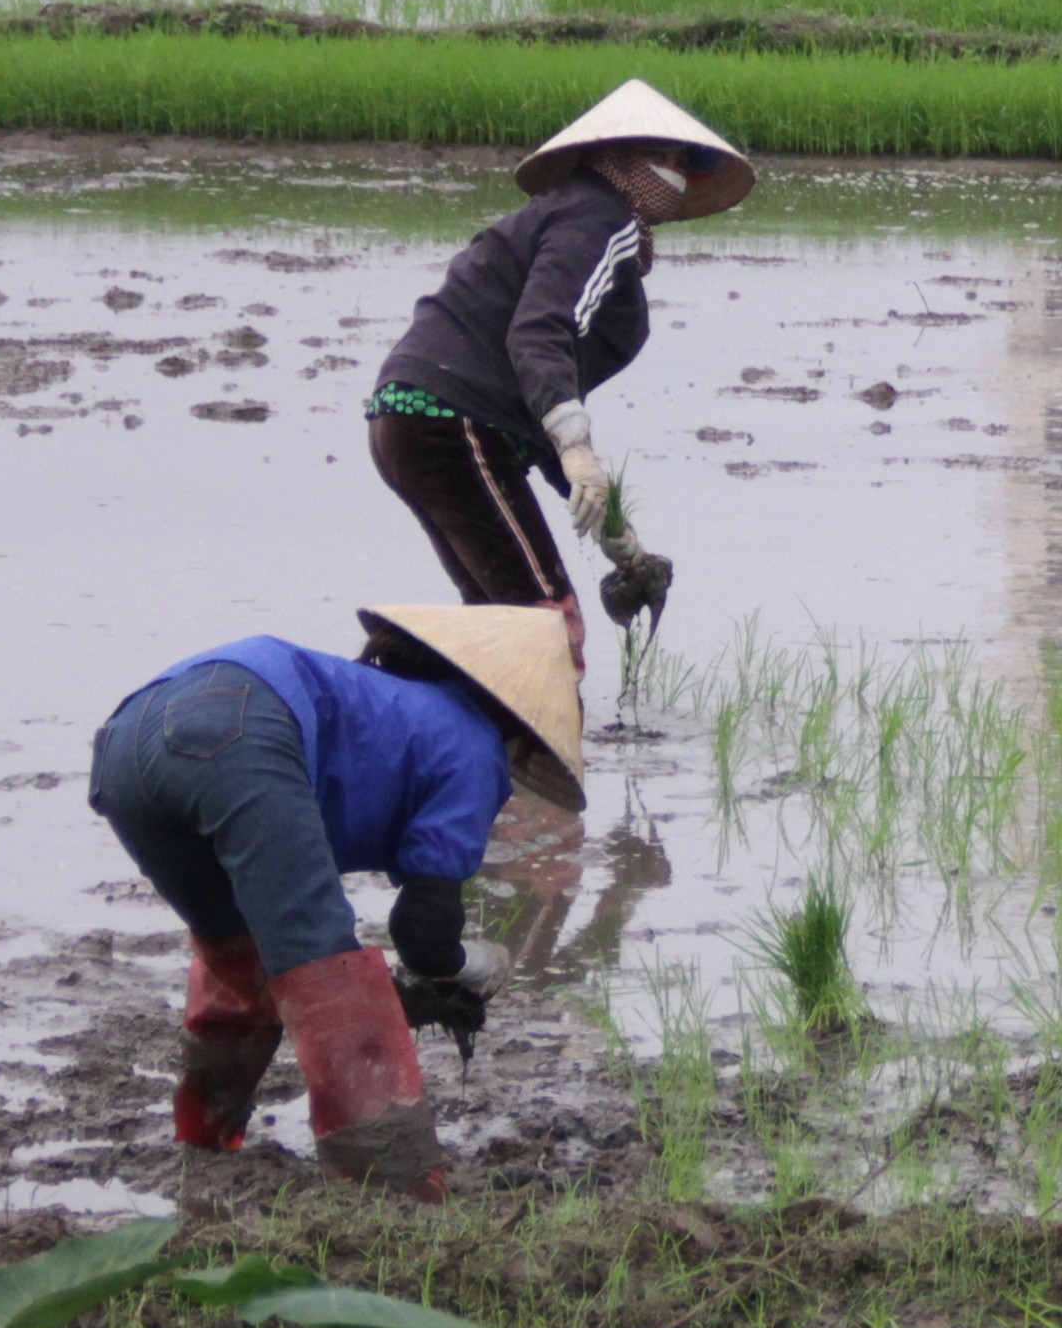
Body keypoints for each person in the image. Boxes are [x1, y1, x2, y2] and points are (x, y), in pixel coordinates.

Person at [88, 605, 586, 1199]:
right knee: (320, 960)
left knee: (239, 957)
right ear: (521, 725)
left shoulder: (384, 702)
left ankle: (205, 1142)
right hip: (249, 727)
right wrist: (474, 966)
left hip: (124, 743)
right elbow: (423, 933)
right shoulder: (474, 744)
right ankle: (393, 1185)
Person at [363, 80, 754, 658]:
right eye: (664, 159)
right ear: (618, 160)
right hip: (456, 422)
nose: (675, 175)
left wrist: (612, 529)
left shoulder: (569, 216)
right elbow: (539, 331)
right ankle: (539, 749)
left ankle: (418, 713)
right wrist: (577, 447)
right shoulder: (604, 218)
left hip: (412, 420)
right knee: (546, 624)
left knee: (497, 621)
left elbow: (532, 397)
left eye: (682, 163)